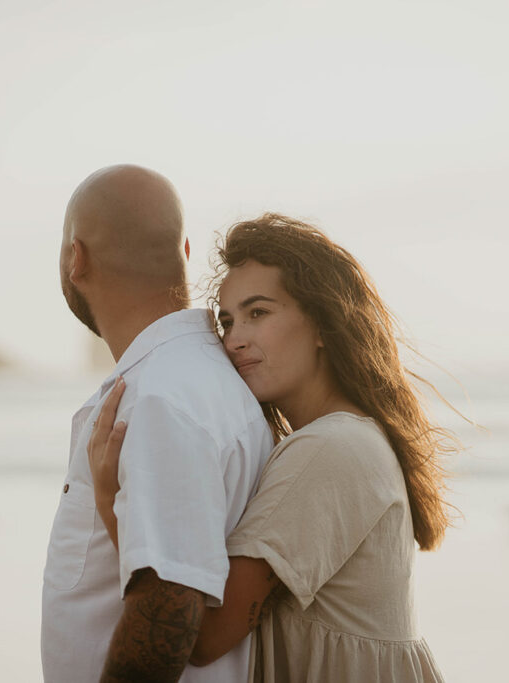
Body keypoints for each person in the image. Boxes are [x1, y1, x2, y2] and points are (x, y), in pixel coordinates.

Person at [90, 213, 452, 682]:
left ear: (324, 324)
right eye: (226, 321)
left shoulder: (330, 449)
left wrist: (111, 501)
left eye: (257, 313)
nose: (234, 339)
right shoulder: (348, 437)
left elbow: (201, 638)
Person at [42, 165, 273, 683]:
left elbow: (168, 612)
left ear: (75, 259)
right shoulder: (202, 381)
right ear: (184, 253)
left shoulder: (159, 398)